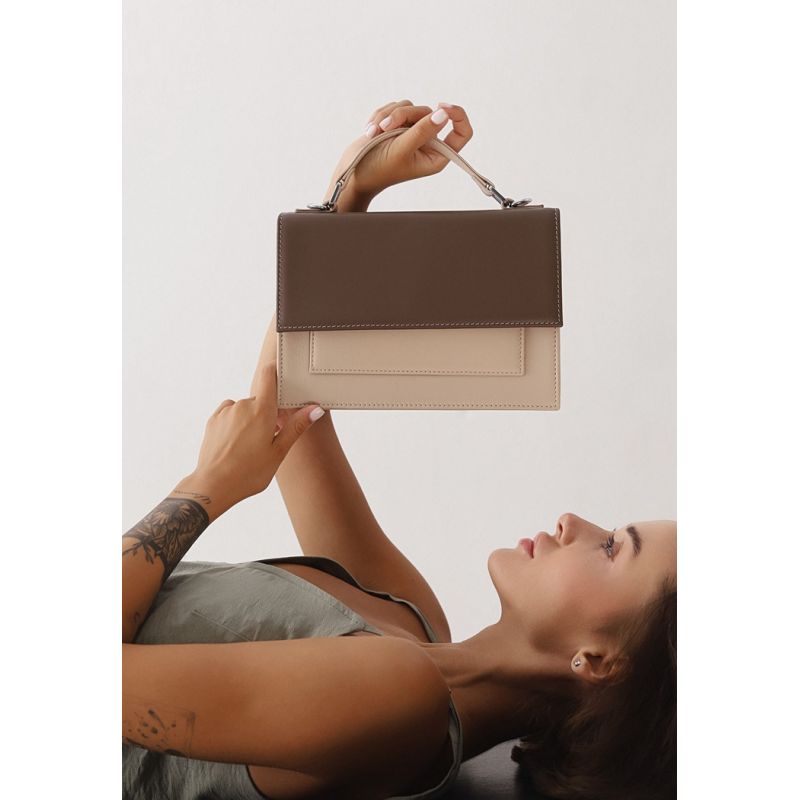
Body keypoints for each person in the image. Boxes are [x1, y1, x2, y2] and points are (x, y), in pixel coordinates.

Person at [122, 100, 677, 800]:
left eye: (613, 548)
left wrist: (205, 489)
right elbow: (290, 402)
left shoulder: (398, 699)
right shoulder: (413, 618)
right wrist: (349, 197)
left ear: (599, 661)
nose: (574, 522)